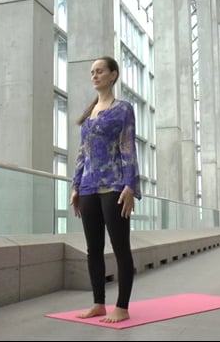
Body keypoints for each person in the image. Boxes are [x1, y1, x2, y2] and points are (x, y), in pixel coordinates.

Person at [70, 56, 142, 323]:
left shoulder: (123, 109)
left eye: (100, 71)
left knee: (121, 247)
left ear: (113, 75)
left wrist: (130, 186)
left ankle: (122, 307)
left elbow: (128, 148)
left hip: (114, 187)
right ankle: (98, 303)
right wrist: (75, 185)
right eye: (92, 72)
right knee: (93, 249)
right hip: (88, 188)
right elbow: (82, 153)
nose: (95, 75)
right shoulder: (89, 113)